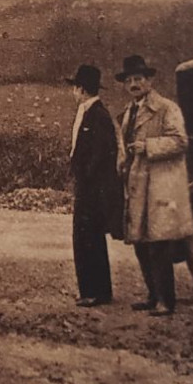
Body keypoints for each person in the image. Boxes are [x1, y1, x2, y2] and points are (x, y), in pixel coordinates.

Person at [114, 55, 193, 316]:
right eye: (129, 80)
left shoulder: (166, 108)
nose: (134, 84)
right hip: (137, 185)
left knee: (158, 244)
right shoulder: (129, 112)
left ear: (149, 81)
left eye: (139, 79)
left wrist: (148, 147)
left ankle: (166, 300)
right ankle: (152, 295)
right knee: (141, 243)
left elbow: (180, 141)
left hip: (160, 185)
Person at [65, 64, 123, 306]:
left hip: (93, 189)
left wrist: (86, 178)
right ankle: (95, 290)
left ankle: (95, 292)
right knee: (86, 236)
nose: (73, 93)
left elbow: (101, 153)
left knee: (87, 237)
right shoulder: (89, 112)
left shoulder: (97, 115)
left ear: (81, 89)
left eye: (75, 88)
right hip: (88, 186)